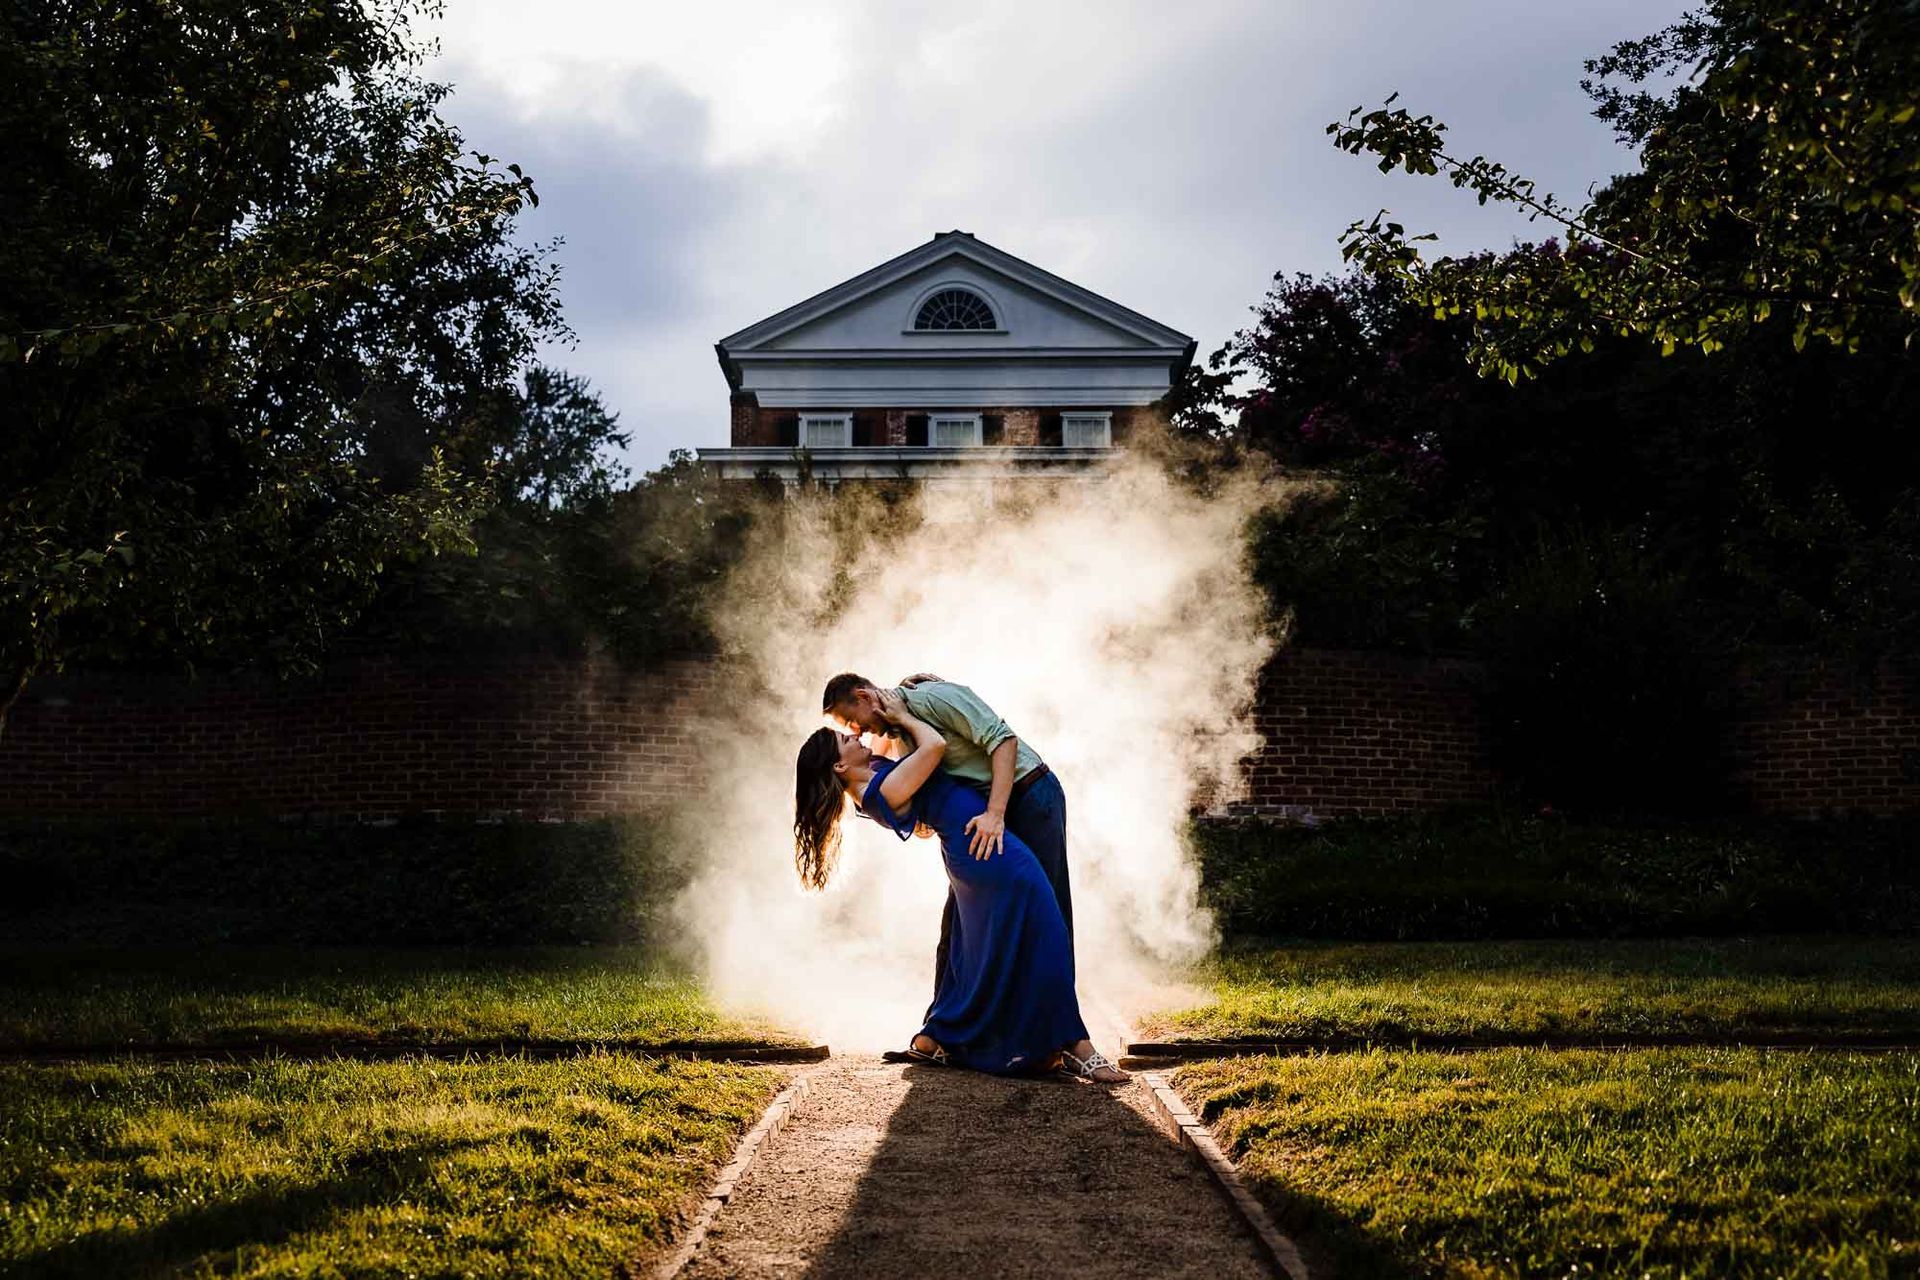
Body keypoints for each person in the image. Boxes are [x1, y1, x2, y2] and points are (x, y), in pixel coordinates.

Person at [793, 688, 1125, 1082]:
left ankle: (951, 1034)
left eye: (852, 729)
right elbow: (933, 746)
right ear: (837, 767)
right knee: (1047, 931)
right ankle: (1075, 1044)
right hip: (985, 852)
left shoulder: (872, 776)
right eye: (846, 740)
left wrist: (903, 695)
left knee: (983, 947)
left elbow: (885, 734)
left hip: (978, 848)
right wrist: (905, 716)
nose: (857, 736)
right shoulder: (881, 789)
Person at [821, 672, 1073, 1024]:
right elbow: (884, 776)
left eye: (851, 721)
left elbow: (1004, 741)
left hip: (1028, 797)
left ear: (863, 697)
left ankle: (1055, 1031)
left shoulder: (931, 700)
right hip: (986, 816)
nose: (857, 731)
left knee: (1048, 913)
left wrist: (995, 814)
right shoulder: (900, 732)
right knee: (957, 926)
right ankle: (942, 1029)